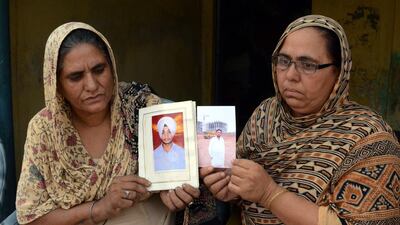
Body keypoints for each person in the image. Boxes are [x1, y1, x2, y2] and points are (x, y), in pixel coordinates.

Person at [201, 15, 400, 225]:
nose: (291, 75)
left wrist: (270, 194)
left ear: (339, 73)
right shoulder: (266, 115)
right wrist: (230, 189)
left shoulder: (371, 139)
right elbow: (242, 193)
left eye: (308, 65)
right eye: (284, 61)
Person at [15, 22, 200, 225]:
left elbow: (179, 170)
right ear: (56, 85)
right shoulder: (45, 130)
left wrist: (172, 190)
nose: (92, 85)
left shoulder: (140, 108)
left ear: (112, 67)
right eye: (75, 77)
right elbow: (32, 217)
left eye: (99, 70)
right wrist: (101, 208)